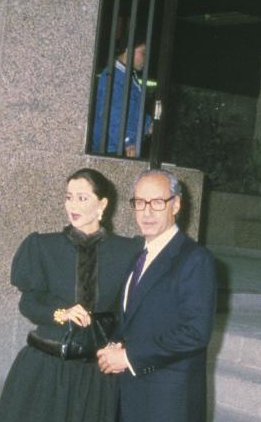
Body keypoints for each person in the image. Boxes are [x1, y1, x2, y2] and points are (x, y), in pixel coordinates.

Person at [0, 168, 142, 422]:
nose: (72, 205)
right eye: (68, 197)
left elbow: (128, 311)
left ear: (102, 204)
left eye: (82, 198)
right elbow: (28, 303)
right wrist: (61, 313)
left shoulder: (128, 252)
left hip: (96, 375)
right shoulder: (42, 246)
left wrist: (121, 343)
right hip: (46, 368)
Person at [96, 169, 217, 422]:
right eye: (140, 202)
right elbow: (133, 318)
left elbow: (195, 333)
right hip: (132, 393)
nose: (147, 212)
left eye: (157, 202)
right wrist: (115, 344)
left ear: (176, 205)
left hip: (167, 401)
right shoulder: (138, 254)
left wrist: (129, 357)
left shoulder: (195, 259)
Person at [91, 40, 153, 157]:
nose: (146, 59)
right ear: (128, 49)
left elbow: (132, 111)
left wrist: (147, 124)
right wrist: (128, 142)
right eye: (143, 53)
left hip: (115, 146)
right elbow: (112, 115)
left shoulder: (125, 75)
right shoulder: (114, 77)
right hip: (112, 149)